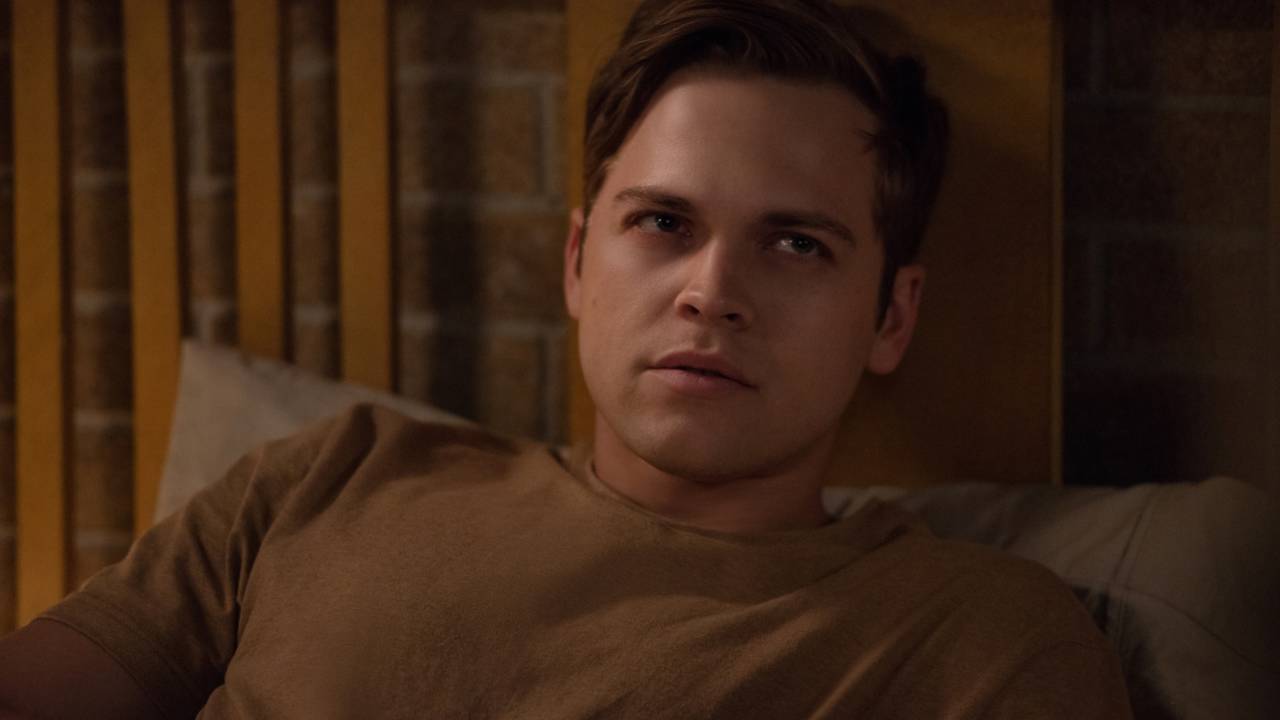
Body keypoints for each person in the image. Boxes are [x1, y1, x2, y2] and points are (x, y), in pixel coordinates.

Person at [0, 0, 1133, 717]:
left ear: (891, 315)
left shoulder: (979, 643)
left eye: (796, 244)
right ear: (580, 260)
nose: (711, 291)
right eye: (663, 222)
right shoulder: (330, 477)